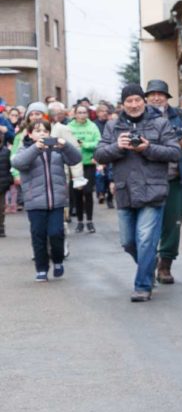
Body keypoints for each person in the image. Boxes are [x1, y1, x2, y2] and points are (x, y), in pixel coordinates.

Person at [94, 84, 181, 302]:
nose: (133, 105)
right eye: (129, 101)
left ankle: (142, 286)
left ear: (144, 100)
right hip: (125, 192)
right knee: (128, 242)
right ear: (123, 104)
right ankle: (148, 266)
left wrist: (147, 148)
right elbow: (99, 154)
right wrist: (117, 146)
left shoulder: (160, 123)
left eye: (137, 100)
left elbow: (175, 152)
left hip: (153, 191)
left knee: (145, 241)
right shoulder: (113, 126)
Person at [144, 79, 182, 285]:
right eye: (152, 94)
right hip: (147, 181)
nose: (156, 97)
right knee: (148, 225)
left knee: (172, 225)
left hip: (176, 179)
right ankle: (147, 261)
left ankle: (165, 265)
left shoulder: (180, 116)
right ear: (146, 98)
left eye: (160, 94)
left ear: (166, 97)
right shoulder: (139, 118)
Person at [12, 119, 82, 281]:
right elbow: (18, 163)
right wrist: (36, 149)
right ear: (30, 134)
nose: (42, 134)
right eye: (37, 131)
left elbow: (75, 159)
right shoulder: (25, 148)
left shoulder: (57, 150)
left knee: (56, 233)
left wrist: (66, 145)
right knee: (39, 235)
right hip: (35, 202)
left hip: (56, 200)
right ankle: (41, 268)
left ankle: (58, 260)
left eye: (45, 131)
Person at [67, 104, 102, 233]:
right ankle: (80, 222)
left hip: (88, 163)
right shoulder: (69, 127)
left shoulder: (92, 126)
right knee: (77, 193)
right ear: (75, 114)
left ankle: (90, 221)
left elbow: (99, 142)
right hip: (74, 164)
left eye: (84, 112)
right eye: (79, 113)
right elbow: (64, 142)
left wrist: (85, 144)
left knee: (88, 192)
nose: (82, 115)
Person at [46, 101, 87, 190]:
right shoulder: (42, 127)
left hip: (59, 170)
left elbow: (75, 149)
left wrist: (78, 177)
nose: (57, 115)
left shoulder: (62, 128)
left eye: (59, 113)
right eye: (53, 113)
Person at [0, 132, 12, 237]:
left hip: (2, 184)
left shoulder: (6, 152)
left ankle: (1, 227)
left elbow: (10, 167)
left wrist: (9, 180)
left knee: (1, 207)